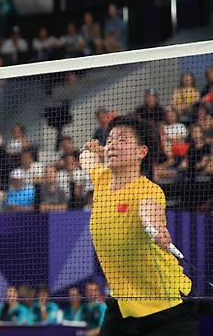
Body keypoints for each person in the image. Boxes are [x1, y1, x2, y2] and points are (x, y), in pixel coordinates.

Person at [80, 115, 198, 335]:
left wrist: (155, 230)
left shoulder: (148, 190)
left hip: (166, 306)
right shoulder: (102, 178)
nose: (114, 144)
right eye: (111, 139)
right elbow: (84, 156)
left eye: (122, 140)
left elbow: (149, 212)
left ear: (141, 152)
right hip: (123, 307)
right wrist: (98, 151)